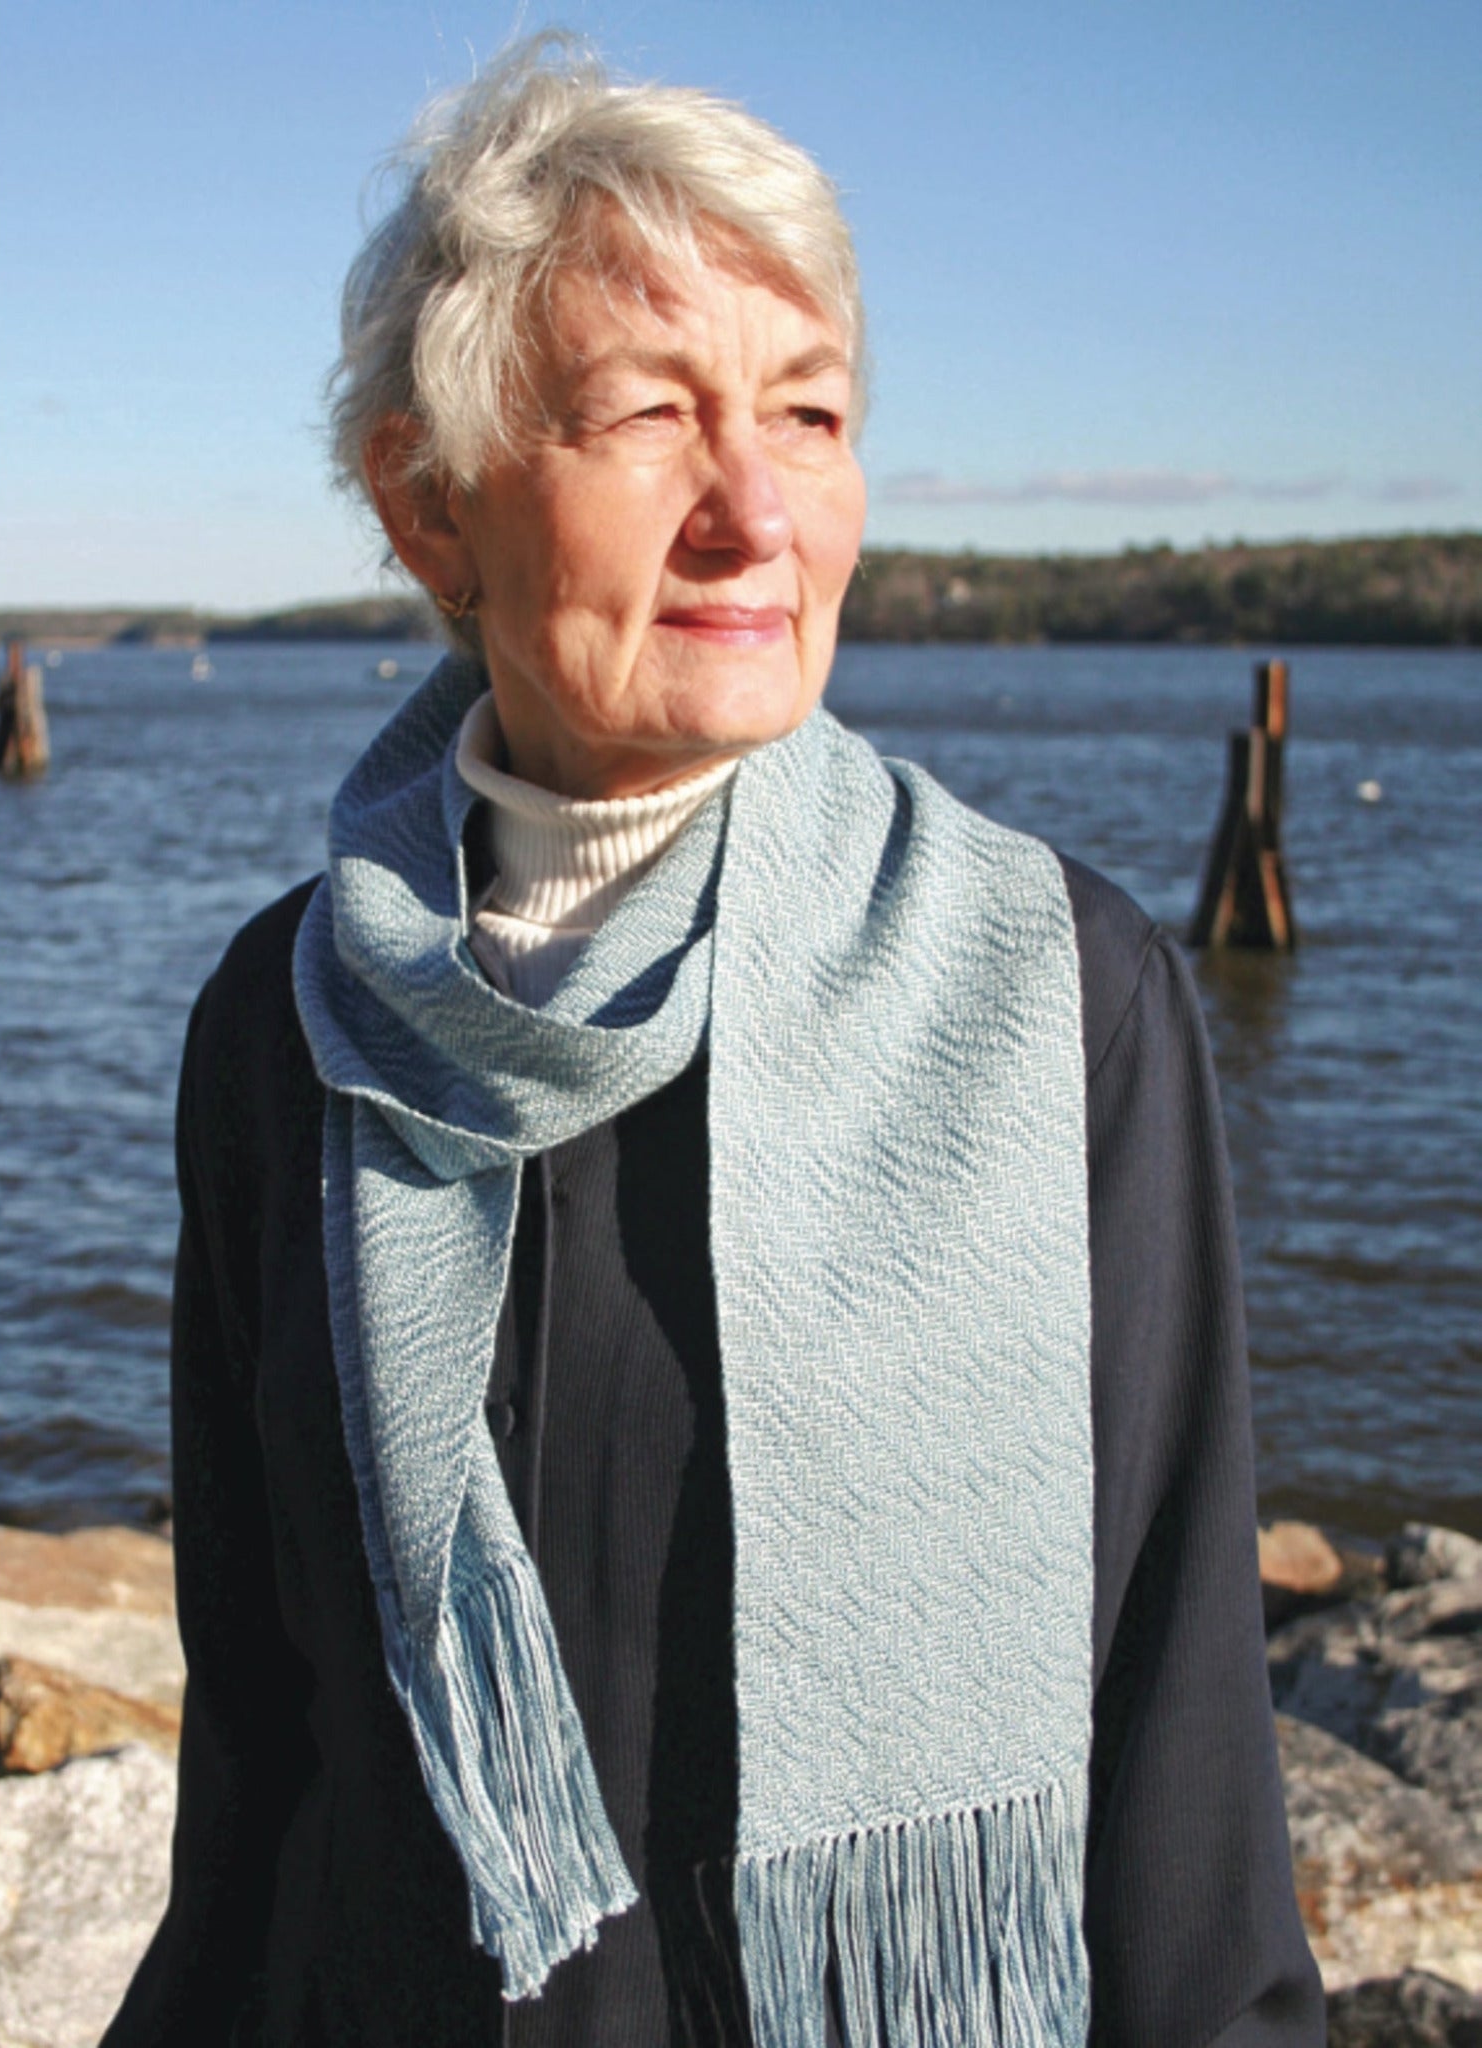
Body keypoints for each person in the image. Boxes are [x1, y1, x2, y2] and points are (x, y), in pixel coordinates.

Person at [104, 35, 1322, 2048]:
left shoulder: (1060, 995)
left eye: (810, 412)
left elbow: (1178, 1753)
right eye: (649, 419)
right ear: (432, 509)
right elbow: (259, 1769)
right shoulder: (286, 1023)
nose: (756, 512)